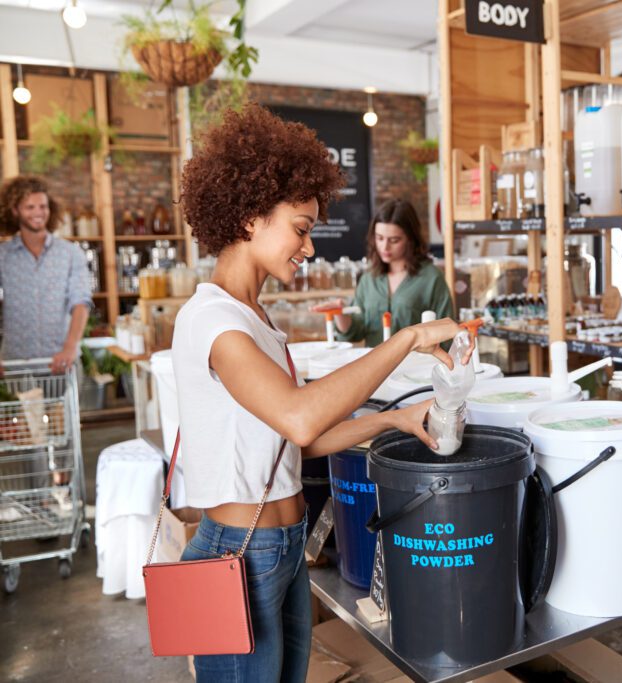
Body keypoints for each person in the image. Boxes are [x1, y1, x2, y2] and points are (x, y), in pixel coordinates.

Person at [172, 104, 470, 683]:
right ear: (252, 216)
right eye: (301, 229)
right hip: (239, 551)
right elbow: (301, 418)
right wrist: (406, 338)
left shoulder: (254, 319)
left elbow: (293, 444)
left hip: (281, 546)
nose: (308, 248)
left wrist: (397, 421)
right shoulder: (214, 322)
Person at [314, 199, 453, 345]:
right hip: (375, 366)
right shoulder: (369, 279)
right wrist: (340, 313)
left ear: (411, 239)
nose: (384, 247)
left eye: (394, 240)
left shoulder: (431, 278)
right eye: (379, 238)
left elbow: (446, 335)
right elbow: (354, 333)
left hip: (417, 366)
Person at [0, 175, 92, 374]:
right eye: (30, 207)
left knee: (63, 407)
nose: (38, 213)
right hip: (15, 365)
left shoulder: (70, 253)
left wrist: (70, 347)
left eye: (43, 206)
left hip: (60, 362)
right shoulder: (3, 256)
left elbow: (81, 302)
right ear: (15, 210)